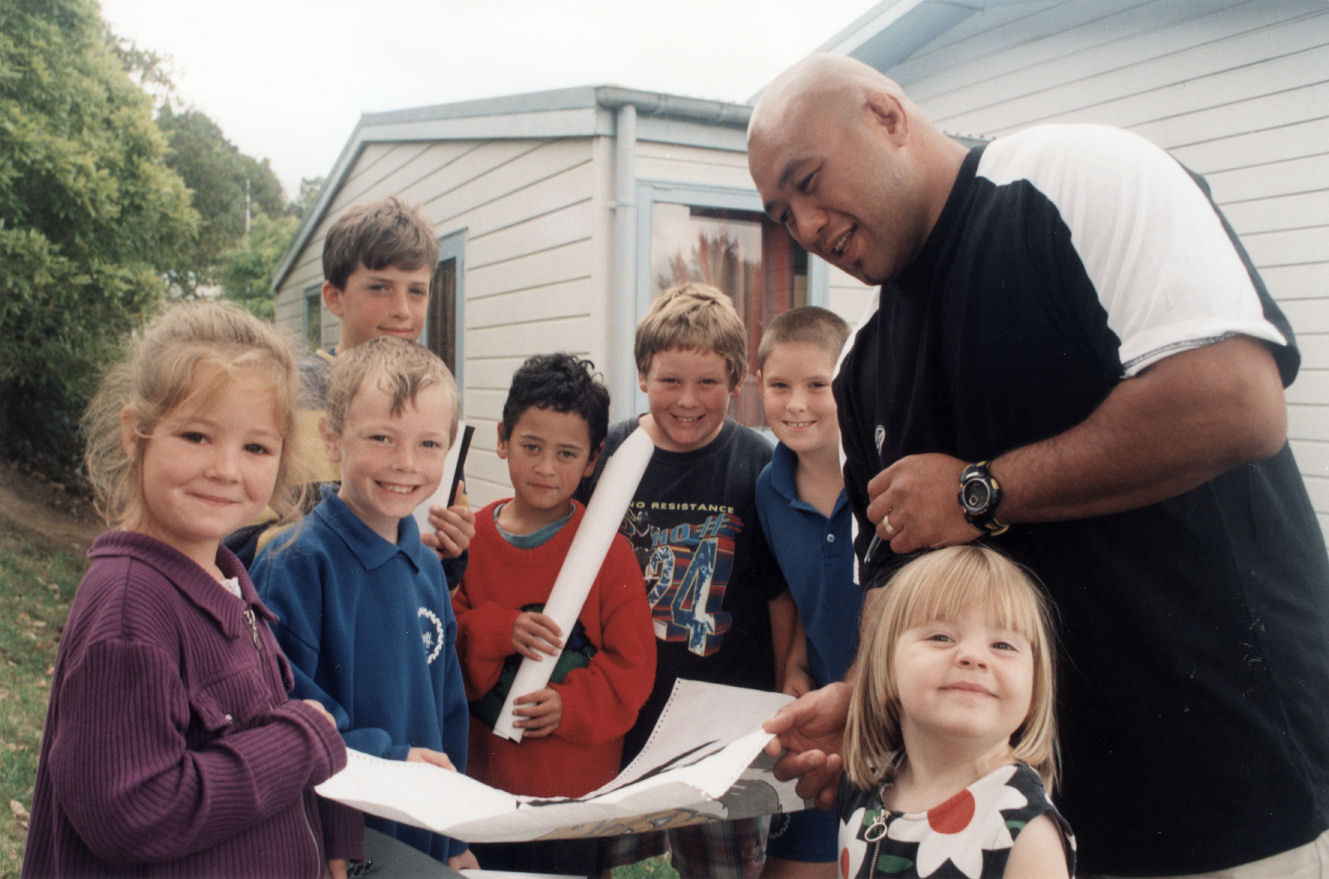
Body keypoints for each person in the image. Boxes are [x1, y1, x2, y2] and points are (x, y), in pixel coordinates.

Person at [747, 53, 1329, 876]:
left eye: (808, 181)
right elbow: (892, 572)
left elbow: (1236, 399)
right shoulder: (866, 365)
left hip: (1224, 801)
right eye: (780, 214)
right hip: (1015, 831)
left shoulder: (1072, 177)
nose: (804, 225)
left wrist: (979, 491)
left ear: (885, 116)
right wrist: (867, 700)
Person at [21, 302, 349, 878]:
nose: (225, 469)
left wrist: (330, 833)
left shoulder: (227, 582)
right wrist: (300, 744)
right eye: (196, 435)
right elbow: (130, 811)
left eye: (255, 448)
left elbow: (258, 734)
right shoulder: (130, 608)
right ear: (134, 433)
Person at [579, 281, 794, 879]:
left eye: (708, 383)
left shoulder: (760, 464)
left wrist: (776, 706)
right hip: (622, 719)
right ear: (643, 375)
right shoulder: (610, 454)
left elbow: (781, 597)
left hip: (724, 731)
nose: (688, 401)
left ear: (736, 380)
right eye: (671, 381)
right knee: (613, 865)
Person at [250, 336, 475, 871]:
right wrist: (388, 761)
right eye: (381, 437)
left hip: (420, 833)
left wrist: (455, 834)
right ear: (331, 439)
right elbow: (279, 716)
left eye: (428, 445)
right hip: (336, 841)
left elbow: (447, 714)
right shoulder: (296, 564)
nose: (405, 463)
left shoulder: (426, 567)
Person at [452, 352, 656, 875]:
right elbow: (445, 639)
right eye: (531, 447)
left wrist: (571, 707)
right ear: (502, 439)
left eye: (567, 454)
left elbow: (633, 670)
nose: (546, 468)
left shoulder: (610, 555)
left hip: (572, 796)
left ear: (594, 460)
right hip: (481, 784)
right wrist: (500, 630)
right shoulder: (466, 541)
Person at [226, 197, 474, 576]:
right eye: (379, 288)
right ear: (334, 297)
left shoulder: (433, 398)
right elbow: (234, 540)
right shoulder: (284, 395)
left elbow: (438, 571)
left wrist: (453, 548)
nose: (402, 310)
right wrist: (358, 542)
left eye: (417, 291)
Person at [838, 546, 1074, 879]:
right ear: (886, 668)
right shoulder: (864, 788)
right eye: (941, 636)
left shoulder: (1024, 830)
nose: (973, 656)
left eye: (1003, 645)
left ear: (1036, 686)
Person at [753, 307, 863, 879]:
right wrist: (795, 662)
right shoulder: (769, 490)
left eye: (817, 385)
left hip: (895, 717)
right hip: (822, 724)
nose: (796, 404)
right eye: (779, 386)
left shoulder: (882, 476)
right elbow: (797, 591)